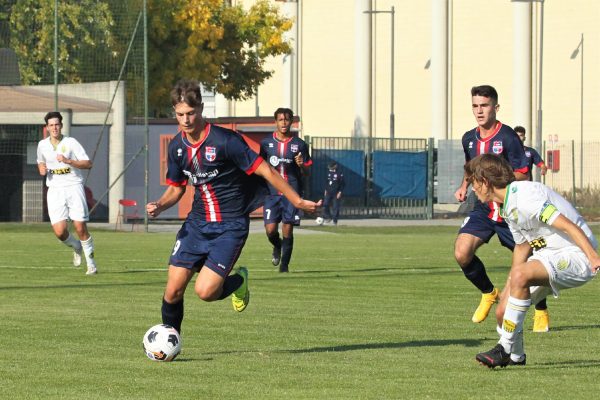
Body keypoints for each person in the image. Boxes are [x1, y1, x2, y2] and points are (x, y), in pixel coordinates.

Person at [146, 80, 320, 334]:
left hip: (230, 226)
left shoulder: (226, 141)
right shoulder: (177, 148)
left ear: (201, 109)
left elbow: (267, 170)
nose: (186, 120)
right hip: (196, 224)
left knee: (205, 292)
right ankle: (171, 342)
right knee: (172, 290)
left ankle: (238, 280)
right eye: (180, 114)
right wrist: (160, 205)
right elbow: (176, 187)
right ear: (174, 112)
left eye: (191, 113)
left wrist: (297, 200)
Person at [467, 154, 599, 368]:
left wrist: (593, 257)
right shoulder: (507, 206)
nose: (473, 188)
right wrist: (512, 283)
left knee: (520, 276)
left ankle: (503, 349)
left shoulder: (526, 196)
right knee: (502, 311)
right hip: (547, 256)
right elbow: (521, 247)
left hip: (576, 254)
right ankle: (517, 357)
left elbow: (567, 225)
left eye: (474, 182)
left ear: (485, 182)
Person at [454, 85, 550, 332]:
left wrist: (498, 184)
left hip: (509, 210)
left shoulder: (507, 137)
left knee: (529, 262)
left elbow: (523, 172)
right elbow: (470, 167)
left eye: (484, 105)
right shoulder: (468, 138)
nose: (479, 110)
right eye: (475, 105)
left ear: (495, 107)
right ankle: (488, 292)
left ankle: (541, 311)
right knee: (462, 253)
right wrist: (464, 186)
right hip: (483, 209)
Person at [36, 111, 97, 275]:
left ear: (61, 125)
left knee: (79, 226)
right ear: (47, 128)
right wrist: (41, 168)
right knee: (60, 231)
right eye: (51, 125)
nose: (54, 127)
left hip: (73, 186)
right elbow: (40, 162)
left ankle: (91, 265)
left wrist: (69, 161)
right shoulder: (42, 145)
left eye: (57, 124)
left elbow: (88, 163)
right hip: (55, 189)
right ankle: (76, 246)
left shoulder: (71, 142)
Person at [259, 107, 312, 273]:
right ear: (275, 122)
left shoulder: (300, 145)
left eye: (287, 120)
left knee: (287, 228)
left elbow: (307, 173)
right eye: (280, 120)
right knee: (270, 230)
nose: (284, 123)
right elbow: (259, 167)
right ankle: (277, 245)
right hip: (271, 193)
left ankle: (284, 267)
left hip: (292, 193)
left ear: (291, 122)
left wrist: (301, 165)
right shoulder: (266, 144)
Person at [322, 161, 344, 225]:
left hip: (336, 193)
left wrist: (340, 192)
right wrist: (325, 190)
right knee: (325, 205)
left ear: (335, 166)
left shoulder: (339, 173)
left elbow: (342, 184)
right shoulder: (328, 173)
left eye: (331, 166)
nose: (330, 168)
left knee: (335, 207)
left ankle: (335, 220)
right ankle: (328, 217)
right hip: (328, 192)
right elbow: (326, 182)